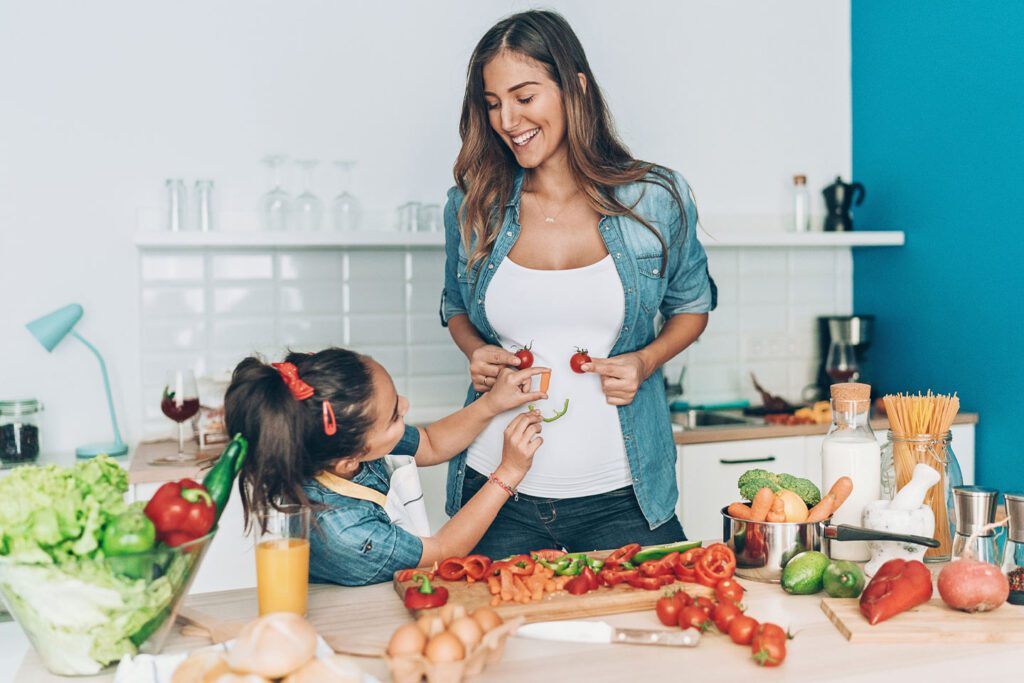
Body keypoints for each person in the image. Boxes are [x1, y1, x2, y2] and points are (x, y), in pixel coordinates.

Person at [440, 10, 717, 558]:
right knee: (492, 644)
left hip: (624, 497)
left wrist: (645, 360)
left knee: (658, 632)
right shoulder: (473, 205)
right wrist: (476, 351)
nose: (506, 119)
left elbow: (692, 306)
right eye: (492, 103)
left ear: (575, 89)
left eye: (524, 96)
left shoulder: (656, 197)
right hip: (494, 492)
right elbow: (455, 306)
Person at [224, 348, 548, 586]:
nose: (406, 405)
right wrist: (509, 472)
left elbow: (432, 442)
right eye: (395, 415)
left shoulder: (345, 438)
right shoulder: (343, 530)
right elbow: (444, 550)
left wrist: (492, 402)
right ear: (350, 460)